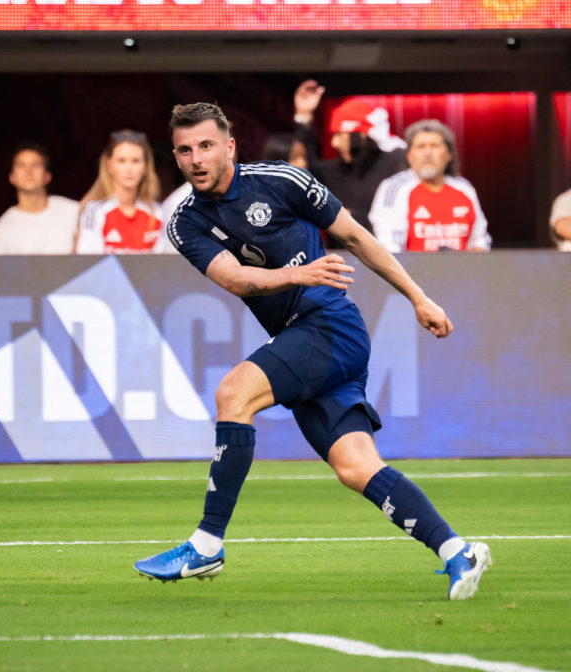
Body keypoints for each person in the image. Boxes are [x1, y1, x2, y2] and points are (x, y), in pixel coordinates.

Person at [134, 102, 491, 601]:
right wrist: (294, 273)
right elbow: (235, 278)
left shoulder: (281, 180)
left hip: (329, 326)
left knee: (233, 393)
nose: (197, 158)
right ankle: (459, 551)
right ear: (175, 156)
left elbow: (357, 238)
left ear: (229, 146)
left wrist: (418, 297)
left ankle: (206, 543)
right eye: (185, 150)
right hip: (301, 338)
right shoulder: (184, 222)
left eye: (207, 146)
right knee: (356, 467)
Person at [293, 80, 406, 231]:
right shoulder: (335, 170)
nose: (334, 143)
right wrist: (303, 116)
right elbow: (306, 167)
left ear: (359, 135)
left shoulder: (397, 162)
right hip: (341, 254)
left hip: (390, 252)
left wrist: (352, 218)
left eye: (340, 135)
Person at [369, 119, 491, 253]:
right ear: (409, 156)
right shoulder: (394, 188)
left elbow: (480, 239)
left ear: (449, 154)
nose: (427, 153)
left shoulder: (464, 188)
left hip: (464, 271)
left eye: (434, 146)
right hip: (413, 271)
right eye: (421, 147)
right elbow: (390, 247)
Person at [75, 130, 164, 254]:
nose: (129, 169)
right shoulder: (94, 210)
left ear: (145, 166)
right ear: (109, 165)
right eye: (121, 161)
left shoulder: (158, 213)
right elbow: (88, 264)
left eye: (136, 161)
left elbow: (164, 266)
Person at [0, 143, 79, 255]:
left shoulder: (75, 212)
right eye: (21, 166)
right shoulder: (0, 231)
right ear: (12, 177)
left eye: (35, 165)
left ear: (47, 176)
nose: (28, 171)